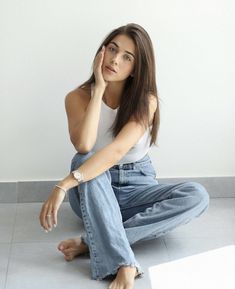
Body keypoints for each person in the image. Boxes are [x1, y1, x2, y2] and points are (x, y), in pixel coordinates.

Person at [39, 23, 209, 289]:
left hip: (137, 186)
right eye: (112, 50)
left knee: (197, 195)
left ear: (136, 69)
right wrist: (97, 92)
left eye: (127, 57)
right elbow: (84, 145)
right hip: (93, 188)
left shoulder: (146, 101)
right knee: (84, 161)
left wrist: (64, 183)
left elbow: (117, 150)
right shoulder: (76, 97)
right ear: (101, 52)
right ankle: (124, 262)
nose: (115, 60)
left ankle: (90, 241)